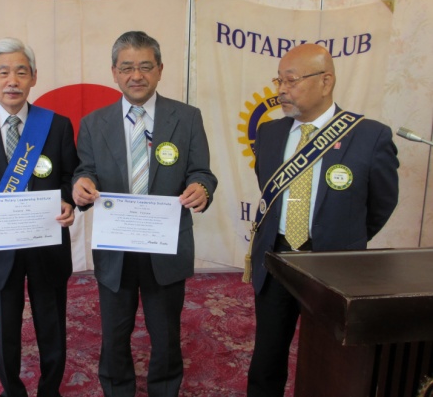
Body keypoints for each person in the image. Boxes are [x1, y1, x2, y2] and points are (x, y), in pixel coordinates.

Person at [247, 43, 399, 397]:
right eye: (279, 80)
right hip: (276, 258)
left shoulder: (369, 136)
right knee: (267, 357)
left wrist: (343, 238)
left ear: (326, 81)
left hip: (334, 265)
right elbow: (268, 192)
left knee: (331, 362)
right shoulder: (269, 134)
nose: (281, 90)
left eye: (291, 80)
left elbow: (381, 203)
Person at [72, 30, 218, 397]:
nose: (136, 76)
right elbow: (84, 170)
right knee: (114, 333)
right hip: (115, 247)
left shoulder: (187, 118)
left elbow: (202, 172)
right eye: (127, 68)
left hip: (165, 245)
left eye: (145, 67)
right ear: (114, 72)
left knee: (166, 334)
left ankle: (164, 390)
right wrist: (81, 184)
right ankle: (117, 389)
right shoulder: (93, 123)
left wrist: (202, 187)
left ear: (160, 70)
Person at [0, 37, 78, 397]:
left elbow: (71, 176)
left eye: (21, 72)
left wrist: (68, 201)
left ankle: (50, 390)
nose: (12, 81)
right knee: (5, 329)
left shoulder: (56, 126)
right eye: (3, 72)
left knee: (51, 325)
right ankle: (12, 392)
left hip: (46, 243)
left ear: (34, 77)